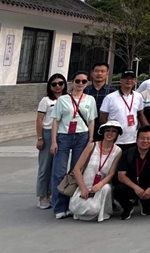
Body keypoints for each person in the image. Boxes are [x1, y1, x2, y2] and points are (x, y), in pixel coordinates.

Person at [50, 71, 98, 219]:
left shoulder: (90, 99)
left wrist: (91, 138)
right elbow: (55, 120)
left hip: (82, 136)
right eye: (78, 81)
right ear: (72, 82)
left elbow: (91, 120)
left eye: (84, 81)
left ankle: (72, 204)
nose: (80, 84)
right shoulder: (63, 99)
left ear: (87, 83)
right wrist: (53, 141)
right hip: (64, 136)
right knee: (59, 172)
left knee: (76, 172)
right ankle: (59, 207)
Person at [69, 120, 123, 222]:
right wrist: (83, 188)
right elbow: (76, 169)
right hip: (84, 186)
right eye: (107, 130)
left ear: (117, 134)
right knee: (79, 208)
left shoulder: (118, 151)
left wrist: (100, 184)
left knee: (106, 188)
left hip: (99, 187)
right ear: (103, 132)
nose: (110, 133)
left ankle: (102, 213)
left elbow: (111, 173)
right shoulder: (92, 146)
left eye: (114, 131)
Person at [114, 126, 150, 219]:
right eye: (142, 138)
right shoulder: (127, 153)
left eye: (148, 138)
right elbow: (121, 176)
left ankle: (146, 203)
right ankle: (128, 207)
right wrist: (136, 188)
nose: (145, 141)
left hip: (148, 186)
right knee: (117, 190)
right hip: (132, 186)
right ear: (137, 139)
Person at [35, 73, 65, 209]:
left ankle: (52, 194)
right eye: (54, 84)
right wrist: (40, 138)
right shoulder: (46, 100)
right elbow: (39, 120)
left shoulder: (67, 99)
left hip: (62, 134)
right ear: (50, 86)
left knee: (56, 168)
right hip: (47, 134)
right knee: (45, 167)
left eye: (60, 83)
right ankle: (42, 196)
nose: (58, 86)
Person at [99, 68, 146, 152]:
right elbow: (103, 119)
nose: (129, 80)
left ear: (135, 81)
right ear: (120, 80)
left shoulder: (138, 96)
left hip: (132, 139)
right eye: (126, 78)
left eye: (131, 78)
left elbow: (140, 114)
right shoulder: (110, 97)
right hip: (115, 140)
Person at [85, 62, 114, 141]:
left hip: (105, 127)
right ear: (92, 73)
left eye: (102, 71)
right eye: (97, 71)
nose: (99, 73)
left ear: (107, 74)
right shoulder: (85, 90)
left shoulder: (112, 92)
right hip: (86, 127)